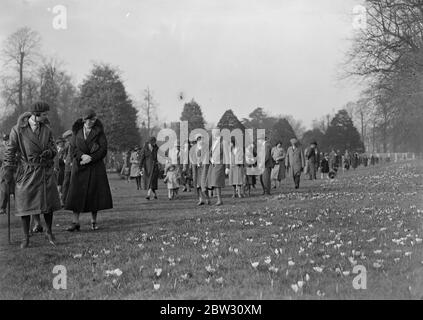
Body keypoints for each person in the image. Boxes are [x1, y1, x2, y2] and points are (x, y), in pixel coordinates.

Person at [2, 102, 61, 248]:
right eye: (45, 114)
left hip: (45, 171)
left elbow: (54, 147)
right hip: (27, 172)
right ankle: (25, 237)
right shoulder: (18, 130)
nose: (47, 116)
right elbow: (9, 152)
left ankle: (49, 232)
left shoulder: (47, 129)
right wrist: (8, 171)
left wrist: (50, 152)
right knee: (24, 204)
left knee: (48, 204)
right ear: (36, 115)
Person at [65, 109, 113, 232]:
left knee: (94, 195)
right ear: (84, 119)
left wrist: (91, 158)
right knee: (76, 194)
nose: (92, 121)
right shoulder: (77, 131)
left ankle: (93, 221)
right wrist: (83, 156)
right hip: (79, 166)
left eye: (94, 119)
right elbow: (73, 148)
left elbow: (103, 149)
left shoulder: (99, 132)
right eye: (90, 119)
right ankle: (75, 222)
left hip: (95, 166)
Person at [207, 130, 229, 206]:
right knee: (213, 182)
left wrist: (227, 167)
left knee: (217, 182)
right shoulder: (214, 142)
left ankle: (219, 200)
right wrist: (211, 159)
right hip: (213, 164)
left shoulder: (224, 142)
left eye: (213, 133)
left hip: (220, 164)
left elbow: (226, 155)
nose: (212, 134)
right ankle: (218, 199)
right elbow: (210, 153)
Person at [61, 130, 73, 207]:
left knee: (74, 184)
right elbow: (63, 154)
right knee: (66, 183)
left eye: (68, 138)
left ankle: (71, 201)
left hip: (75, 166)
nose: (66, 140)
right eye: (66, 138)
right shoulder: (67, 144)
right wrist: (65, 159)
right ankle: (63, 201)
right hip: (68, 167)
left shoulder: (75, 143)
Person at [0, 134, 10, 215]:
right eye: (5, 140)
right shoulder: (1, 149)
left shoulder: (13, 147)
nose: (6, 142)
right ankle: (2, 208)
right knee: (4, 190)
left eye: (7, 140)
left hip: (15, 170)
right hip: (4, 171)